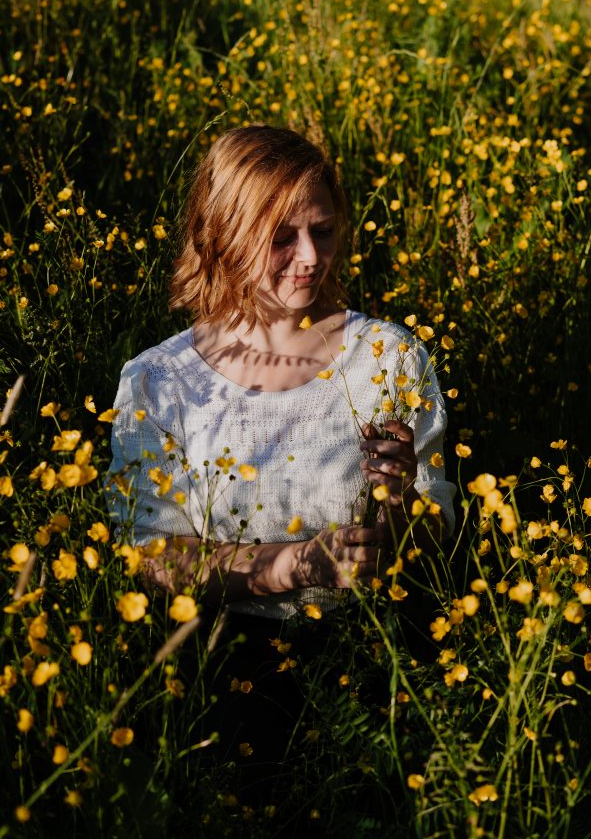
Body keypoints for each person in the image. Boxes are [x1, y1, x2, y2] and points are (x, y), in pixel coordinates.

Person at [106, 124, 455, 796]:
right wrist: (293, 566)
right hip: (222, 674)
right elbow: (151, 558)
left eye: (322, 232)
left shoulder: (386, 357)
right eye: (281, 237)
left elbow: (429, 538)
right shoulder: (160, 380)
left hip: (376, 665)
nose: (308, 258)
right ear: (221, 234)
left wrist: (403, 503)